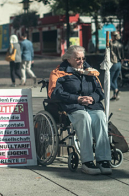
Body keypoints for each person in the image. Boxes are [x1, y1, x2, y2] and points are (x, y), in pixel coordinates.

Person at [48, 45, 112, 175]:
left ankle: (103, 159)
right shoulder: (58, 72)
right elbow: (54, 93)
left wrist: (92, 98)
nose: (81, 61)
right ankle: (87, 161)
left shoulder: (91, 71)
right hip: (72, 107)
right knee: (84, 117)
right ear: (68, 59)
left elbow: (100, 92)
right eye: (78, 58)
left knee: (100, 116)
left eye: (83, 58)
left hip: (91, 105)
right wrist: (78, 99)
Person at [110, 31, 124, 101]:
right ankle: (115, 95)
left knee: (109, 80)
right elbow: (123, 56)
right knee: (115, 79)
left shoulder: (111, 44)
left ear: (112, 36)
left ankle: (116, 90)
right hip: (119, 63)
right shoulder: (120, 45)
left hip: (113, 63)